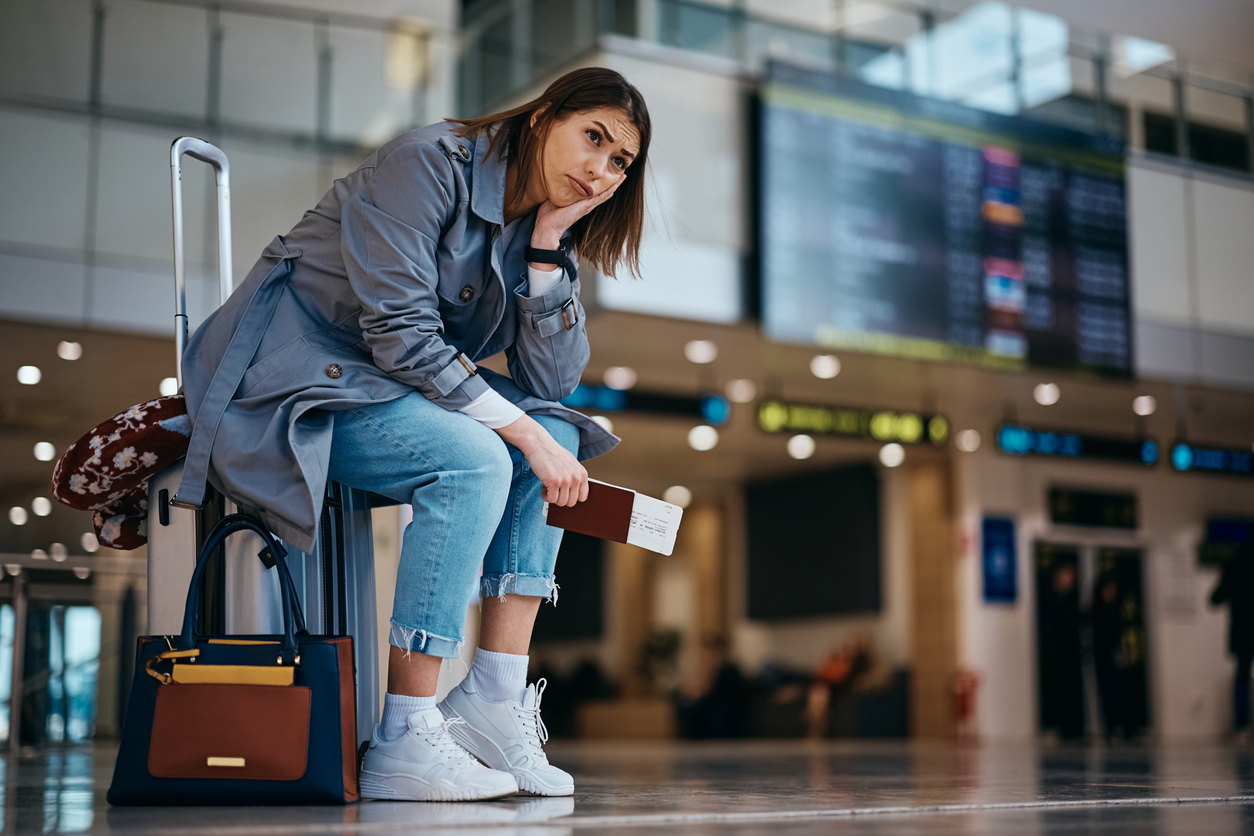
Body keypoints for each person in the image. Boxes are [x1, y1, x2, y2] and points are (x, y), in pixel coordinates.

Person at [178, 67, 651, 801]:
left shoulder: (538, 225)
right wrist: (519, 433)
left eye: (620, 161)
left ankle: (493, 697)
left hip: (379, 381)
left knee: (555, 428)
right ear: (541, 118)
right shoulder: (426, 162)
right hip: (285, 371)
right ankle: (404, 734)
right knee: (477, 460)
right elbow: (400, 333)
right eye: (593, 137)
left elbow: (550, 380)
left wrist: (550, 247)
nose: (601, 168)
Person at [1210, 541, 1254, 738]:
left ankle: (1242, 727)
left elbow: (1215, 598)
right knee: (1242, 677)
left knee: (1242, 677)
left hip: (1242, 631)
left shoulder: (1233, 567)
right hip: (1246, 630)